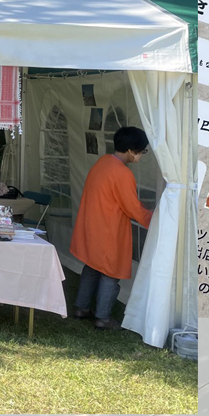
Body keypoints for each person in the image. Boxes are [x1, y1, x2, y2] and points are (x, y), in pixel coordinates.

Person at [69, 130, 152, 328]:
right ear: (132, 151)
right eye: (142, 151)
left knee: (91, 266)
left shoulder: (102, 162)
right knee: (109, 273)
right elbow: (132, 207)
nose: (141, 155)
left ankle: (81, 307)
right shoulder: (122, 173)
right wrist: (154, 219)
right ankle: (103, 317)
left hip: (92, 225)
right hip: (109, 229)